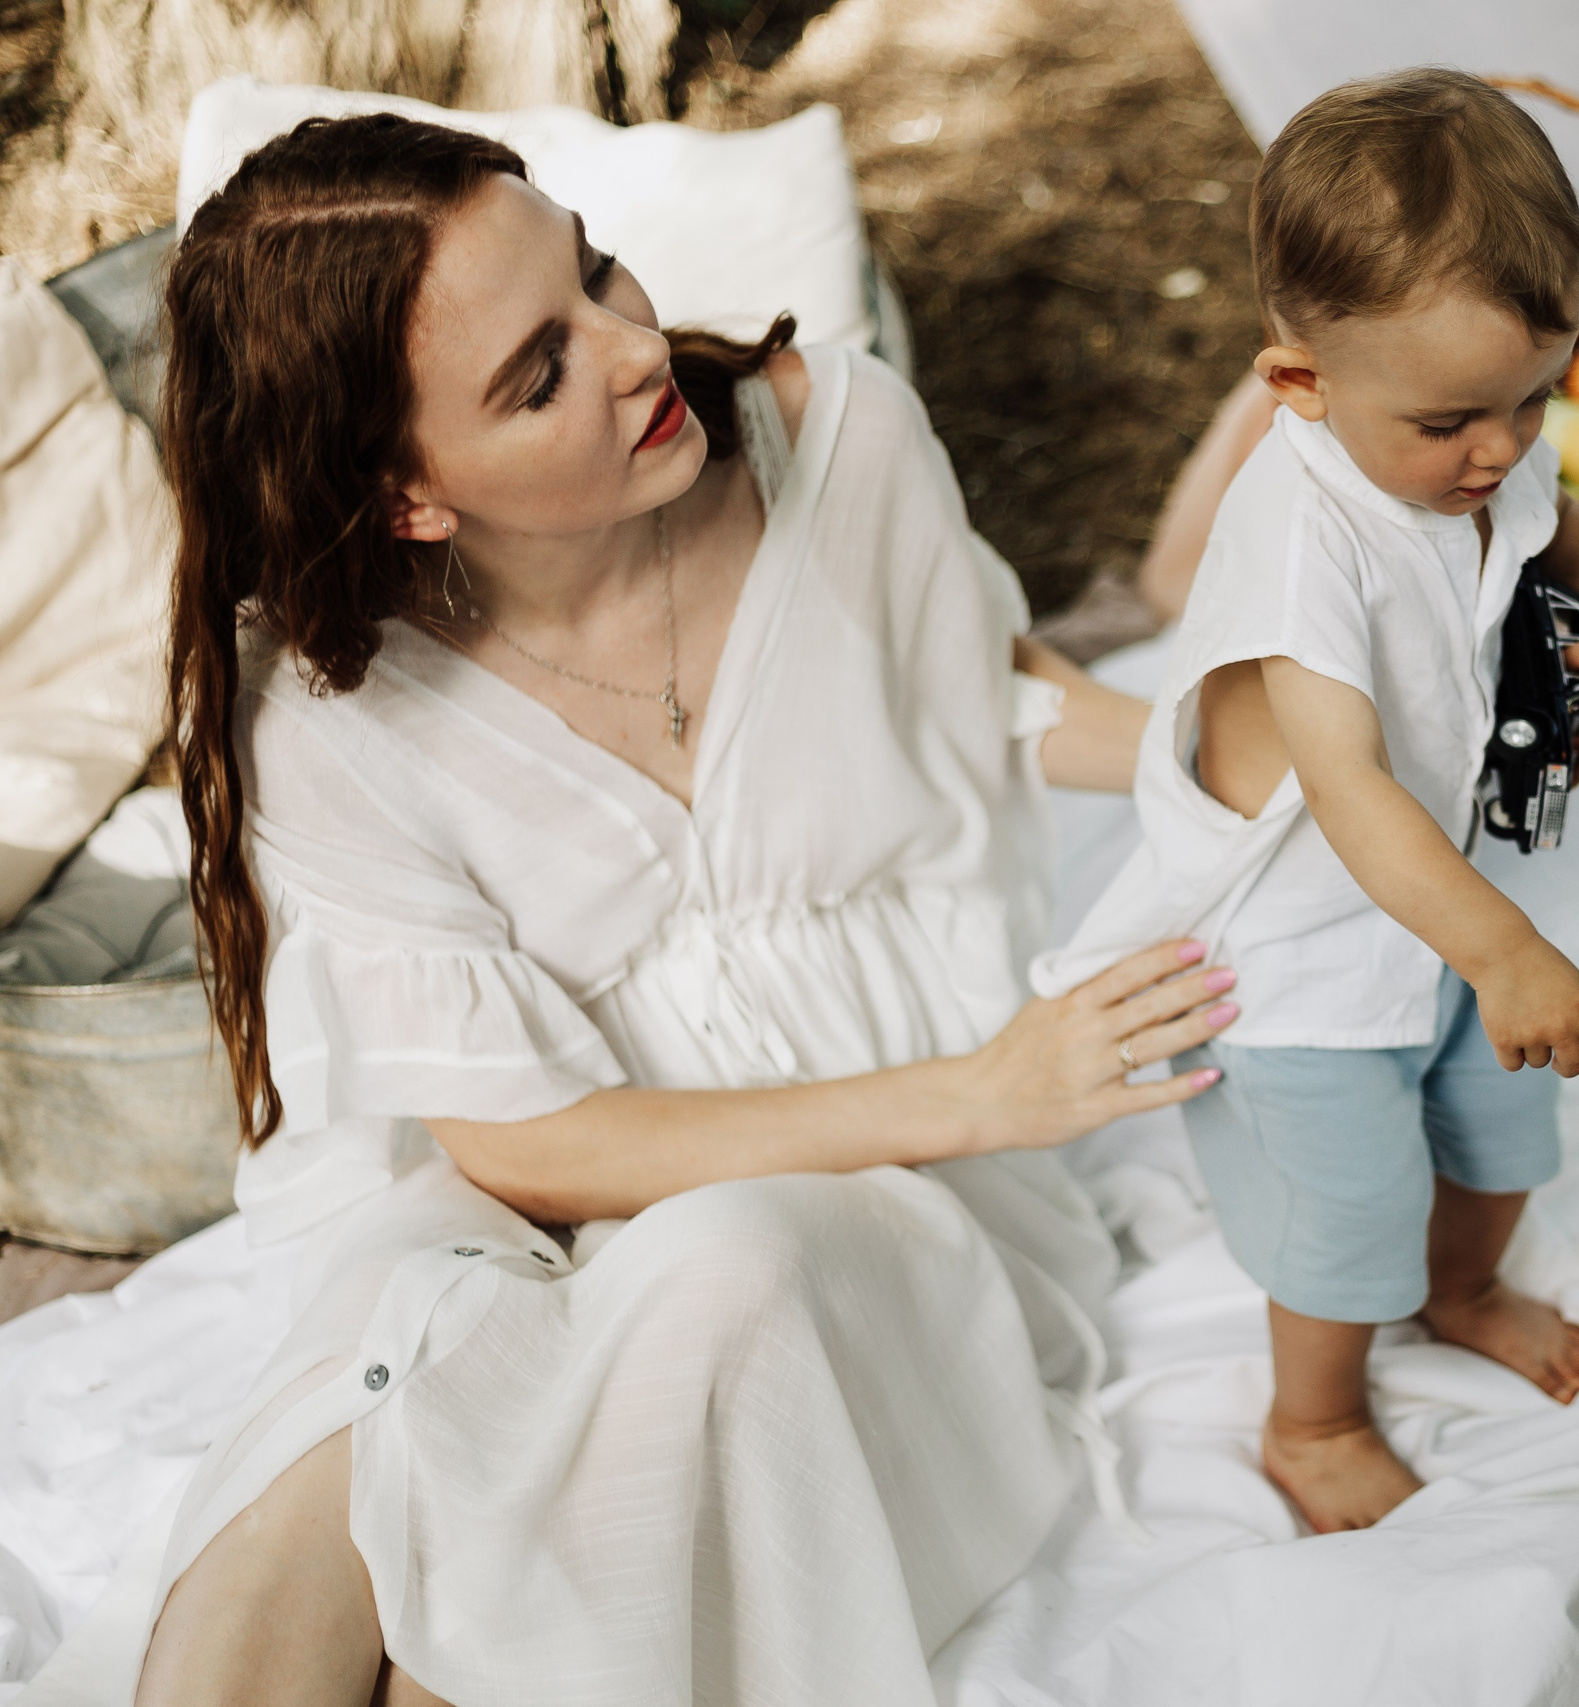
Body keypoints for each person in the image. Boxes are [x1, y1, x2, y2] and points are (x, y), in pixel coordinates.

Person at [120, 112, 1241, 1707]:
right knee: (358, 1421)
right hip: (562, 1186)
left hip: (873, 1184)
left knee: (725, 1278)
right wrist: (992, 1088)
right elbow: (516, 1146)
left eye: (593, 272)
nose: (637, 348)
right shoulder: (331, 715)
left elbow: (969, 689)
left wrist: (1254, 758)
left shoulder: (835, 440)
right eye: (539, 376)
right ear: (412, 497)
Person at [1031, 69, 1579, 1534]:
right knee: (1352, 1204)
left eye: (1535, 395)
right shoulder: (1298, 542)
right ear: (1300, 387)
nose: (1500, 449)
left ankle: (1465, 1290)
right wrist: (1508, 949)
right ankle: (1311, 1419)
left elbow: (1556, 514)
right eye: (1455, 421)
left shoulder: (1476, 441)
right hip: (1307, 936)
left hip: (1452, 884)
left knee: (1504, 1127)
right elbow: (1353, 790)